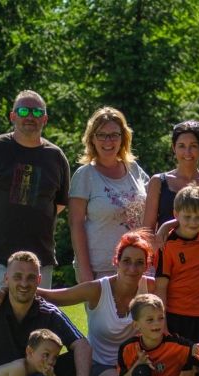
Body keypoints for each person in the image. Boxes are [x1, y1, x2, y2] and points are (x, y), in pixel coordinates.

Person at [0, 231, 156, 376]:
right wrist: (7, 289)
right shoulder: (98, 289)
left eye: (139, 263)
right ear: (116, 261)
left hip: (133, 364)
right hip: (99, 365)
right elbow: (54, 296)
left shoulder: (151, 287)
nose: (132, 268)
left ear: (147, 265)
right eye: (126, 261)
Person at [0, 89, 70, 297]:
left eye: (37, 112)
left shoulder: (56, 157)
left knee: (38, 316)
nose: (30, 116)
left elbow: (60, 203)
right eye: (23, 111)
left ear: (45, 119)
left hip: (40, 258)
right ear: (13, 116)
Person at [69, 107, 148, 282]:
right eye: (101, 135)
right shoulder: (85, 175)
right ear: (92, 139)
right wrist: (85, 272)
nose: (108, 141)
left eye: (114, 135)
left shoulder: (134, 169)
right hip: (99, 270)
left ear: (123, 138)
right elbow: (76, 224)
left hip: (136, 268)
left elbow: (153, 209)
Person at [155, 184, 199, 344]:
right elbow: (161, 287)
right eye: (187, 217)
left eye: (198, 217)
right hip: (177, 313)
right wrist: (162, 321)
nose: (193, 222)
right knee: (182, 359)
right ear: (176, 214)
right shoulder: (167, 244)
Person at [142, 120, 199, 232]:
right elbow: (146, 231)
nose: (187, 152)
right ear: (174, 148)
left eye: (193, 146)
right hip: (165, 244)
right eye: (181, 146)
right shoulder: (158, 182)